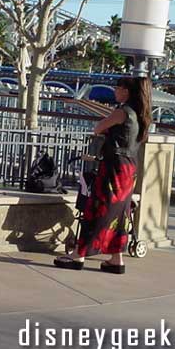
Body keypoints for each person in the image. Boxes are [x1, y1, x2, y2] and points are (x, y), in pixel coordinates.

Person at [54, 76, 152, 274]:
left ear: (126, 91)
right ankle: (116, 258)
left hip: (114, 166)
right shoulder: (141, 114)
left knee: (98, 208)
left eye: (118, 88)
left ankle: (78, 254)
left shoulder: (123, 112)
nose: (115, 91)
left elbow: (98, 127)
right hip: (129, 167)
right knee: (119, 212)